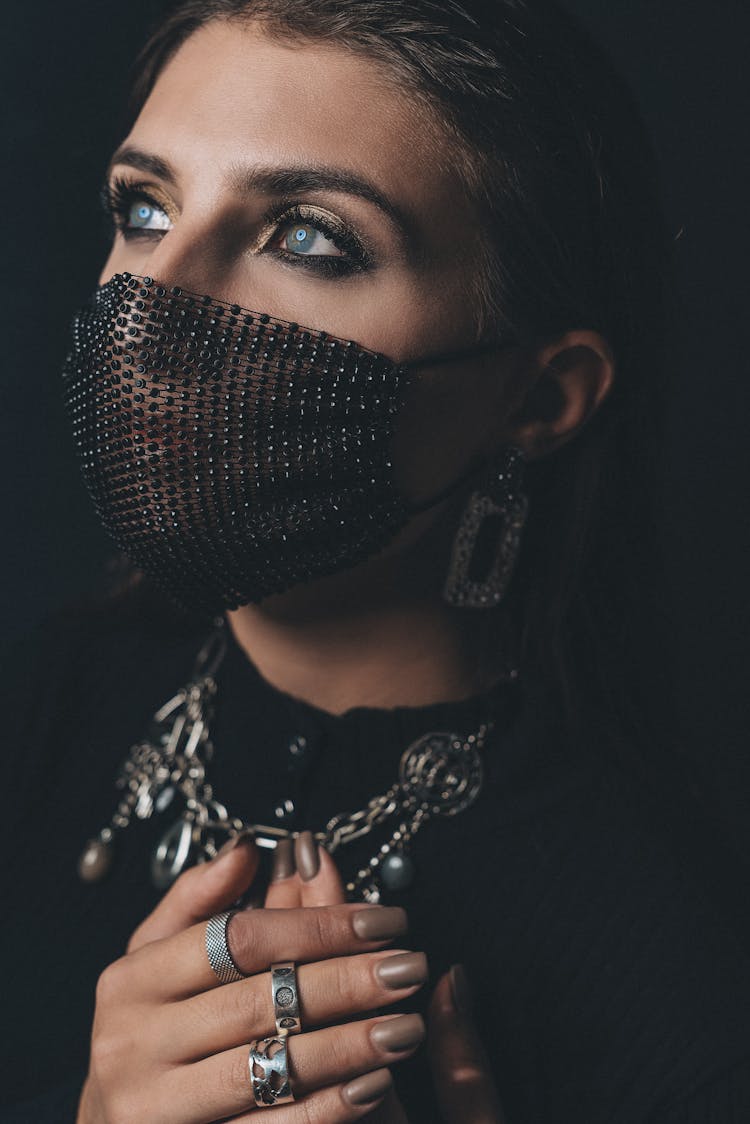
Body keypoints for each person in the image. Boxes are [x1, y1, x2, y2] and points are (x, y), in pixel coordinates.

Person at [3, 0, 750, 1121]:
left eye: (309, 237)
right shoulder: (48, 694)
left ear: (538, 398)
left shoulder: (669, 961)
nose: (155, 305)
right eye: (145, 207)